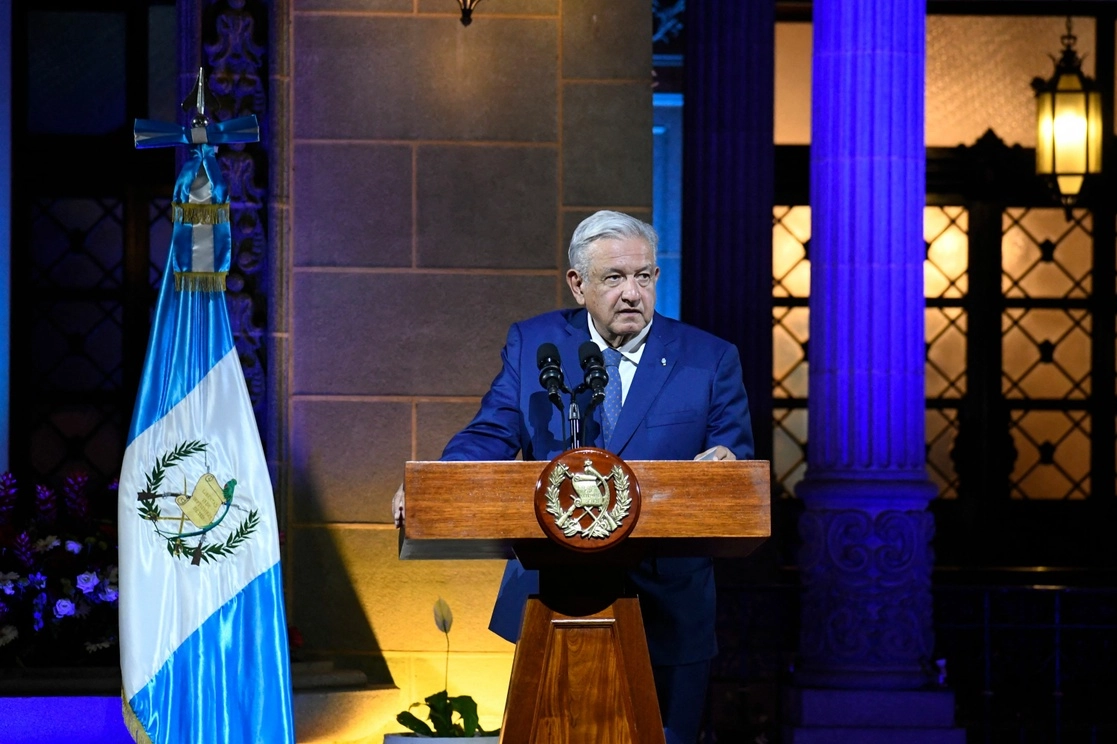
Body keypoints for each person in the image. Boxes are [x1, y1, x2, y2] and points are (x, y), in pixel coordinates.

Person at [394, 210, 753, 744]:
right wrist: (437, 484)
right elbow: (492, 434)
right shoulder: (536, 345)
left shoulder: (709, 358)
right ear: (578, 284)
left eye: (644, 276)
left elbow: (734, 462)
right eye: (614, 278)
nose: (632, 293)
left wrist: (726, 466)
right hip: (554, 592)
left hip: (669, 602)